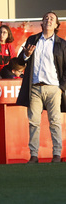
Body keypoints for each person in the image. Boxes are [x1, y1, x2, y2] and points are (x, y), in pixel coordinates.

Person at [16, 12, 66, 164]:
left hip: (53, 88)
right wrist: (26, 55)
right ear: (42, 23)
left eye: (52, 19)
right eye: (46, 18)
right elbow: (20, 61)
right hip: (35, 87)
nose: (48, 20)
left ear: (56, 25)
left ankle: (57, 154)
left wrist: (61, 87)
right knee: (34, 122)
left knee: (55, 121)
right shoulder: (33, 39)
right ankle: (33, 155)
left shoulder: (62, 44)